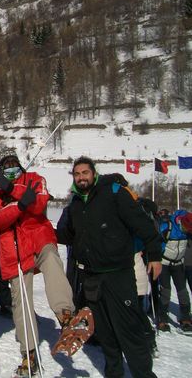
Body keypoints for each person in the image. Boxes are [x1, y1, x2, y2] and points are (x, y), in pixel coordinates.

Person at [56, 156, 162, 378]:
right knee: (106, 333)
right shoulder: (76, 203)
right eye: (77, 174)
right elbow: (69, 236)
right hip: (92, 277)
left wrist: (154, 255)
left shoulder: (113, 193)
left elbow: (141, 224)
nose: (81, 177)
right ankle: (114, 373)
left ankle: (144, 374)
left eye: (85, 172)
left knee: (129, 330)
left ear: (94, 173)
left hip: (118, 275)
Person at [0, 152, 74, 377]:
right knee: (21, 302)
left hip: (38, 237)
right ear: (0, 168)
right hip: (13, 248)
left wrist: (14, 192)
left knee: (52, 260)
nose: (11, 168)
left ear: (21, 166)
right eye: (6, 165)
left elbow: (40, 202)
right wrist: (20, 204)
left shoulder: (35, 178)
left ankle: (65, 314)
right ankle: (29, 353)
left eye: (14, 164)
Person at [156, 207, 192, 332]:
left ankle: (186, 318)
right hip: (164, 263)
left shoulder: (188, 227)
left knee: (183, 292)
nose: (187, 231)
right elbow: (156, 240)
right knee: (165, 291)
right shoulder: (168, 226)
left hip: (178, 264)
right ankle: (162, 319)